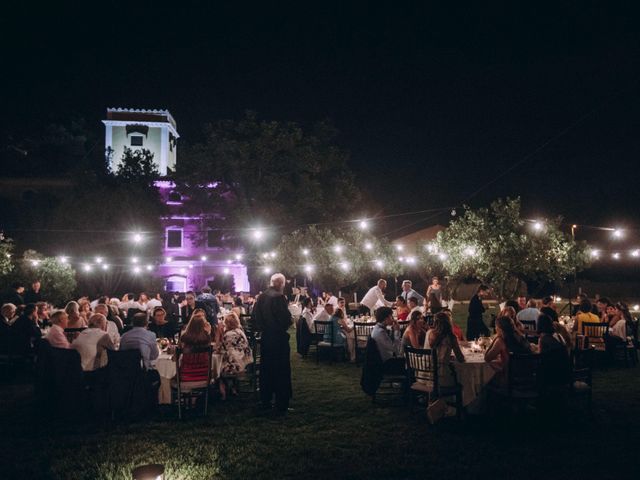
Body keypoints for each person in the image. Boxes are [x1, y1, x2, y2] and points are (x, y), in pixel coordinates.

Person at [252, 273, 293, 414]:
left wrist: (263, 328)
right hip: (278, 338)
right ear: (281, 284)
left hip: (266, 338)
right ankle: (281, 403)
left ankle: (265, 400)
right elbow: (285, 318)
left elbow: (255, 315)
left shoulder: (262, 297)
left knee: (266, 370)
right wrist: (289, 322)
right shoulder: (279, 297)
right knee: (281, 371)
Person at [484, 316, 533, 384]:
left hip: (510, 381)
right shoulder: (519, 336)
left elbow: (487, 358)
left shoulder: (500, 341)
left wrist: (495, 338)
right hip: (527, 378)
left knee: (488, 378)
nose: (495, 328)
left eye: (496, 327)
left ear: (500, 329)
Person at [217, 313, 253, 400]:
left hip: (238, 366)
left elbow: (221, 350)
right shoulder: (240, 331)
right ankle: (233, 388)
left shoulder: (229, 335)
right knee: (228, 362)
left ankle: (223, 392)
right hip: (246, 362)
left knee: (217, 370)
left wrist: (219, 334)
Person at [426, 311, 465, 387]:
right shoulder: (451, 337)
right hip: (443, 377)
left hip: (430, 377)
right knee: (462, 380)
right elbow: (460, 358)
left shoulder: (430, 333)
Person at [371, 306, 404, 374]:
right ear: (386, 318)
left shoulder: (377, 328)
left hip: (383, 361)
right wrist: (397, 331)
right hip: (386, 364)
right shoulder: (380, 332)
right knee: (409, 363)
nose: (393, 319)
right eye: (391, 316)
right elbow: (396, 349)